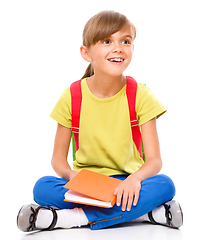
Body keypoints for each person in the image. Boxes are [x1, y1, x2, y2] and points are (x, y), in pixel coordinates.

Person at [17, 10, 183, 232]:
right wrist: (72, 176)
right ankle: (147, 214)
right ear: (86, 53)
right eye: (107, 41)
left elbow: (154, 161)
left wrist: (134, 180)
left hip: (126, 184)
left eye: (126, 41)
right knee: (42, 187)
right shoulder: (71, 97)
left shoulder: (141, 95)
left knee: (164, 185)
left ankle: (67, 219)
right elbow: (58, 158)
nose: (118, 48)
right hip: (86, 185)